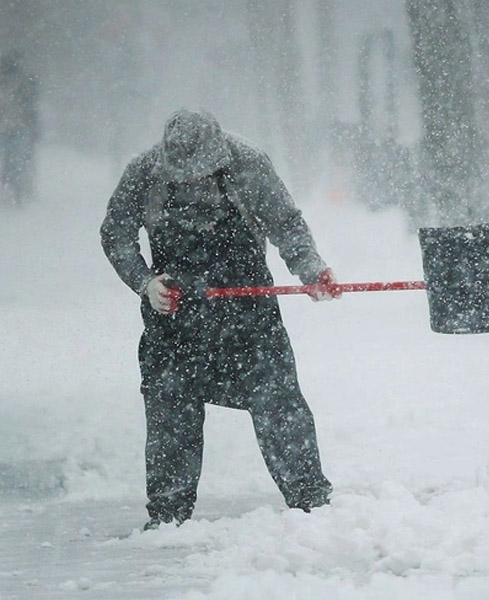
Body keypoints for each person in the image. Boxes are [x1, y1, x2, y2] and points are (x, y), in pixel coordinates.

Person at [100, 109, 340, 530]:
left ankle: (311, 503)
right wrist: (145, 282)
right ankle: (168, 517)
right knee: (170, 414)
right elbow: (115, 234)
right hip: (174, 319)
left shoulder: (249, 164)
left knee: (279, 404)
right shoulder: (143, 173)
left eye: (202, 178)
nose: (194, 186)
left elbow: (285, 222)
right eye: (184, 180)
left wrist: (311, 269)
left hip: (248, 317)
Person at [0, 51, 40, 205]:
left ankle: (11, 188)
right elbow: (30, 106)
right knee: (14, 159)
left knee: (10, 159)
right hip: (14, 126)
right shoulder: (21, 82)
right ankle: (13, 188)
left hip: (7, 126)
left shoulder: (0, 83)